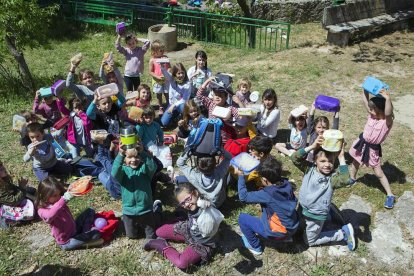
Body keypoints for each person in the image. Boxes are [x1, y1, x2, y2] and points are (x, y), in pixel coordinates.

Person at [291, 136, 356, 251]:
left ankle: (342, 233)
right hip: (302, 208)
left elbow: (346, 179)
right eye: (322, 161)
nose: (327, 164)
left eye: (330, 161)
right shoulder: (308, 169)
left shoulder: (332, 179)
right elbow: (294, 158)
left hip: (316, 215)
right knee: (300, 226)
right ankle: (331, 212)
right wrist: (312, 146)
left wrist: (341, 157)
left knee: (310, 241)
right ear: (315, 161)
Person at [144, 182, 222, 269]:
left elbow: (212, 207)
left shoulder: (206, 205)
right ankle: (179, 218)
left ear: (195, 193)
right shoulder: (191, 205)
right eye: (182, 203)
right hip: (189, 230)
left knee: (182, 263)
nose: (187, 204)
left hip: (202, 244)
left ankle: (160, 245)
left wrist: (207, 204)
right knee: (159, 232)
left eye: (188, 199)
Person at [235, 157, 299, 255]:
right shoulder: (286, 184)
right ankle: (286, 236)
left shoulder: (266, 194)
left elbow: (243, 197)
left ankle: (255, 246)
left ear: (264, 179)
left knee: (242, 218)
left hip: (279, 233)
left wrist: (241, 176)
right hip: (293, 226)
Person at [348, 89, 395, 209]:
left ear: (379, 110)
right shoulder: (372, 116)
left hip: (372, 149)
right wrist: (365, 90)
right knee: (355, 161)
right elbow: (365, 101)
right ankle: (352, 178)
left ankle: (390, 195)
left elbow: (389, 113)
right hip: (361, 143)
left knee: (378, 172)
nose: (370, 110)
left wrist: (388, 99)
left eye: (372, 109)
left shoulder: (386, 122)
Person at [36, 177, 103, 250]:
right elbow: (50, 215)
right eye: (55, 195)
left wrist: (74, 189)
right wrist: (64, 199)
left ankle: (85, 233)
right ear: (44, 196)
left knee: (90, 210)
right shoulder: (42, 210)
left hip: (74, 229)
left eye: (59, 194)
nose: (59, 197)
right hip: (67, 241)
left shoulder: (58, 201)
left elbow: (66, 196)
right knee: (96, 233)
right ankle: (85, 239)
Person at [111, 144, 159, 240]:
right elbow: (114, 172)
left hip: (145, 209)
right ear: (124, 159)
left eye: (137, 156)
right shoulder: (123, 172)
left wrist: (143, 153)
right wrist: (120, 154)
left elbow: (152, 167)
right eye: (129, 157)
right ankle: (136, 225)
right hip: (129, 211)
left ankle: (158, 209)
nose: (133, 160)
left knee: (151, 236)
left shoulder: (145, 170)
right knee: (131, 236)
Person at [197, 77, 239, 144]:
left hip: (225, 140)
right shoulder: (211, 104)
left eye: (220, 95)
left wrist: (239, 102)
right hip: (211, 136)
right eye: (215, 95)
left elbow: (240, 115)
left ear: (226, 97)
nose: (217, 97)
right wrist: (207, 81)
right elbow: (199, 95)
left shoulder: (230, 108)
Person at [159, 62, 191, 127]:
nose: (181, 75)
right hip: (172, 105)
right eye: (179, 73)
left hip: (181, 105)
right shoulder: (172, 80)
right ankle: (176, 116)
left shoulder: (187, 84)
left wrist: (173, 105)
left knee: (182, 107)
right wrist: (162, 67)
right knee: (164, 123)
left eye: (182, 73)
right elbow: (166, 74)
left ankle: (186, 119)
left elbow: (184, 99)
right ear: (175, 74)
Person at [149, 40, 170, 114]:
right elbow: (150, 72)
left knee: (167, 93)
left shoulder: (165, 57)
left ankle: (169, 104)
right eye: (161, 50)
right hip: (157, 81)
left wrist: (169, 72)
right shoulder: (152, 60)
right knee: (159, 94)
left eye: (163, 50)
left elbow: (169, 67)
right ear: (154, 51)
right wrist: (157, 77)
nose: (163, 51)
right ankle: (160, 107)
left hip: (166, 79)